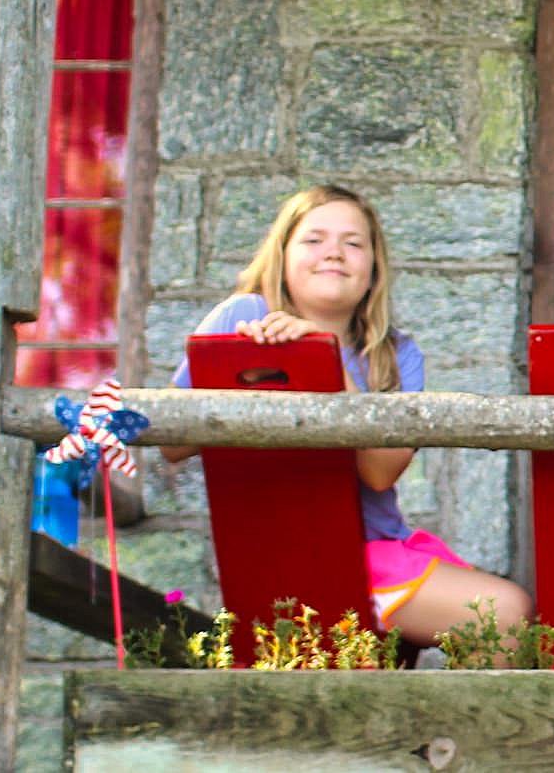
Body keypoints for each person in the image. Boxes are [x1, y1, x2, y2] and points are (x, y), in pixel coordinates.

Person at [163, 185, 532, 650]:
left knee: (503, 613)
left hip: (370, 549)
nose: (334, 253)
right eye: (314, 240)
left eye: (353, 243)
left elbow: (379, 473)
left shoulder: (396, 354)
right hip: (284, 548)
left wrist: (328, 363)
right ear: (282, 254)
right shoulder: (244, 316)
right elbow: (172, 444)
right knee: (505, 612)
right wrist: (247, 376)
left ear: (374, 268)